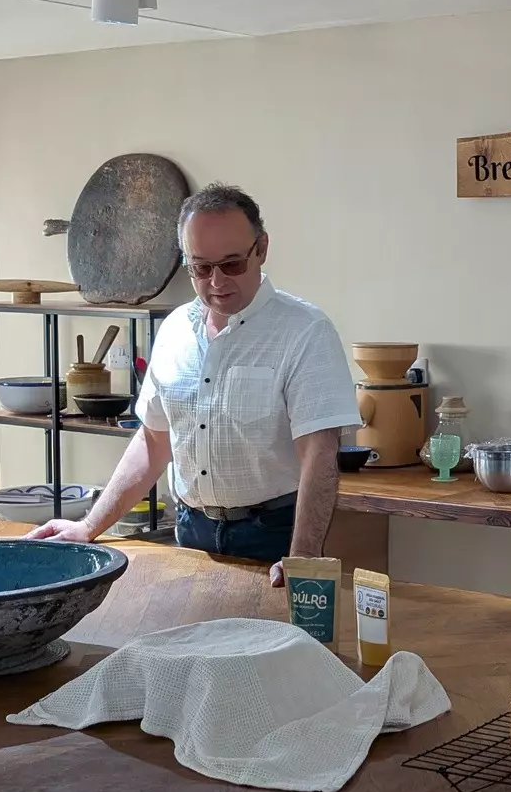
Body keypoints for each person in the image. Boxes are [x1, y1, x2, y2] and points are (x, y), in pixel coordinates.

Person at [26, 184, 360, 586]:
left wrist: (303, 554)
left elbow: (319, 454)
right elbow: (154, 440)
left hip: (274, 534)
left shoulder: (305, 332)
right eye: (200, 268)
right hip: (190, 531)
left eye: (232, 264)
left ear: (262, 249)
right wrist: (89, 526)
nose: (216, 281)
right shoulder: (174, 330)